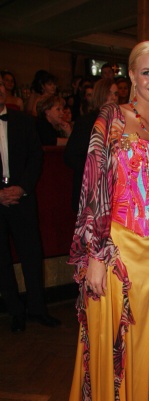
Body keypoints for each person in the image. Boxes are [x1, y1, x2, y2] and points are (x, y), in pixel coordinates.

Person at [50, 41, 149, 401]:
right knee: (107, 340)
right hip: (114, 245)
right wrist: (96, 253)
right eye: (147, 72)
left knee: (139, 343)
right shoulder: (112, 117)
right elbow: (94, 184)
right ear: (131, 76)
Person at [0, 74, 60, 332]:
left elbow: (36, 158)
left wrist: (22, 187)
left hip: (22, 198)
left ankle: (38, 309)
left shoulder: (23, 122)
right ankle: (15, 312)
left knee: (32, 256)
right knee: (2, 261)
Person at [64, 79, 119, 212]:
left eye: (116, 94)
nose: (113, 97)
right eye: (109, 93)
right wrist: (96, 169)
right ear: (100, 94)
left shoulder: (120, 122)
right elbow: (70, 156)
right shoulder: (86, 122)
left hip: (114, 190)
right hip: (90, 190)